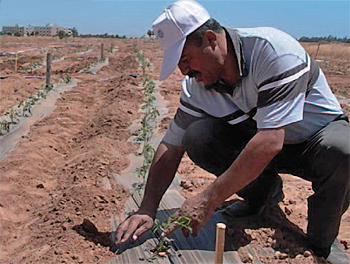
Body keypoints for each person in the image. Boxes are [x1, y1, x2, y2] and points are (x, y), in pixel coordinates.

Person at [115, 0, 349, 262]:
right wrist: (147, 208)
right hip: (261, 142)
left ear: (211, 39)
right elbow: (171, 146)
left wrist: (209, 198)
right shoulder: (197, 87)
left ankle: (321, 244)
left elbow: (271, 141)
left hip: (313, 141)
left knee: (344, 149)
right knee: (198, 136)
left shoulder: (272, 52)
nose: (184, 71)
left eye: (185, 59)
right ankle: (262, 196)